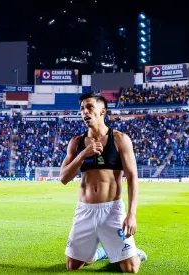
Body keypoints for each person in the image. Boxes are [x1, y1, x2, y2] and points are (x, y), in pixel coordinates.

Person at [60, 93, 147, 273]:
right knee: (72, 266)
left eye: (89, 107)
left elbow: (132, 178)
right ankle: (100, 252)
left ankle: (135, 253)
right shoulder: (76, 143)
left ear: (102, 111)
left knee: (130, 269)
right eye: (82, 108)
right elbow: (63, 178)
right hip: (85, 210)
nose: (85, 112)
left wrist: (131, 215)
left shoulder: (120, 139)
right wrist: (84, 154)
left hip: (112, 211)